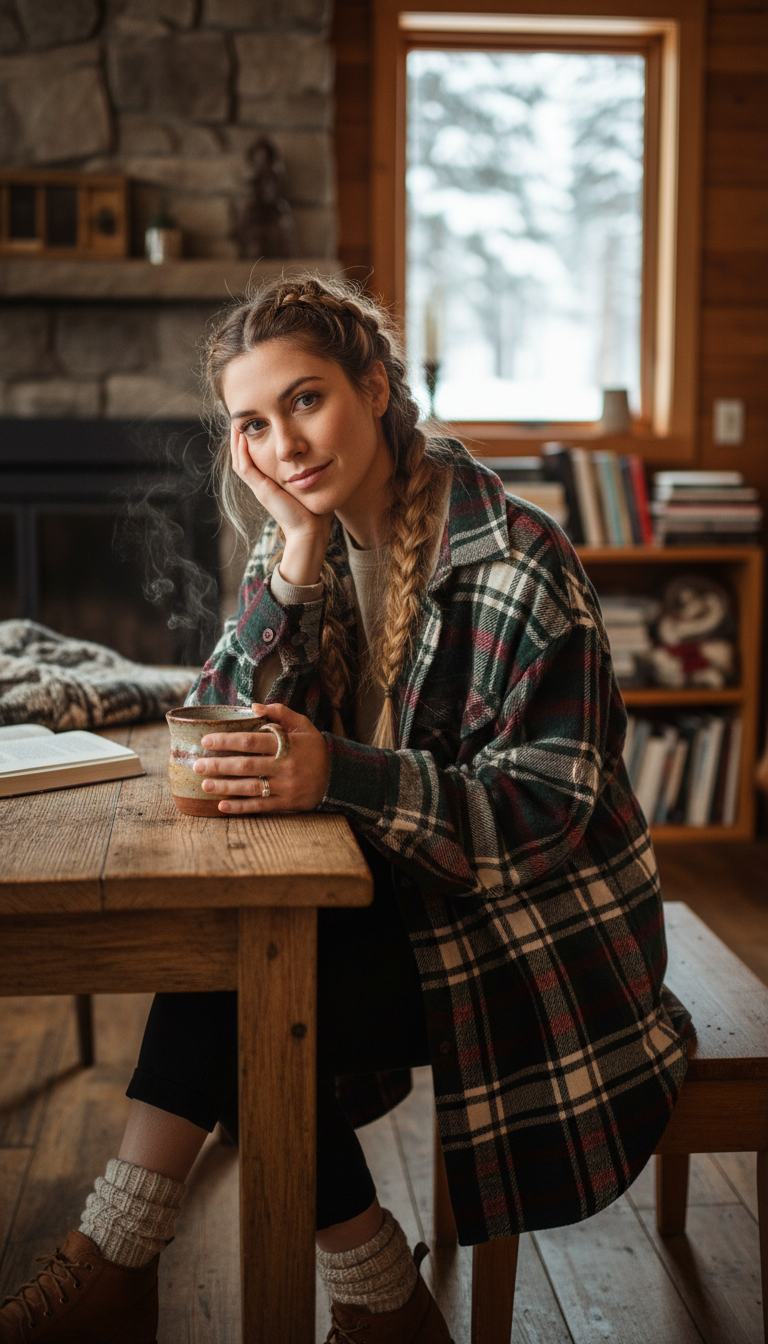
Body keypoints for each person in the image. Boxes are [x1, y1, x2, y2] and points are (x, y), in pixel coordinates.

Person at [0, 276, 689, 1344]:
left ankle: (140, 1266)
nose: (286, 443)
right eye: (254, 425)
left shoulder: (516, 561)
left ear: (375, 385)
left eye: (307, 400)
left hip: (534, 943)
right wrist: (294, 547)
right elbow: (218, 724)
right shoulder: (315, 539)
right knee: (236, 966)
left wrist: (342, 775)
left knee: (243, 993)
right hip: (414, 904)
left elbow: (549, 811)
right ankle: (338, 1295)